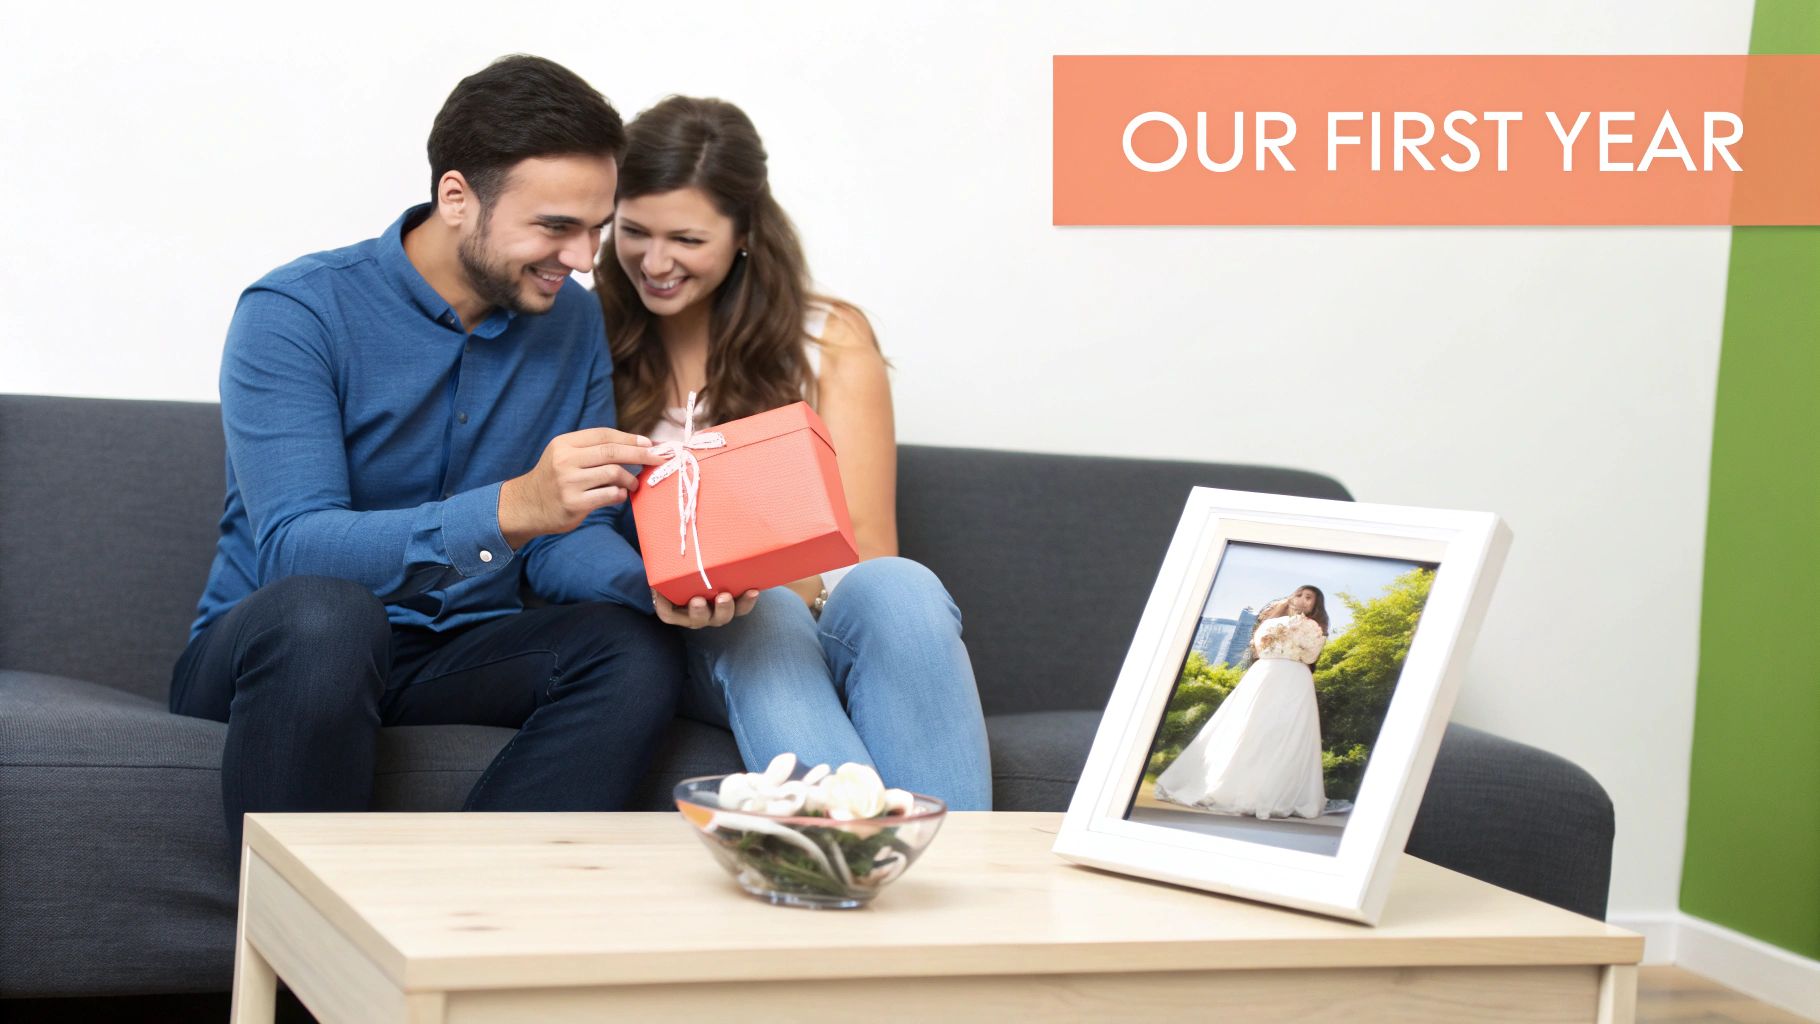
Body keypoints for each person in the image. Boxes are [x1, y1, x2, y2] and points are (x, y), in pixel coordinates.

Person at [170, 55, 685, 849]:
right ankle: (309, 929)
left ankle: (470, 903)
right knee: (329, 616)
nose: (585, 259)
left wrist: (657, 585)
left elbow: (565, 536)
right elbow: (296, 548)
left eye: (597, 229)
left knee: (634, 649)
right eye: (556, 227)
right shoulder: (296, 312)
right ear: (456, 198)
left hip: (453, 653)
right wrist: (512, 508)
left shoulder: (572, 322)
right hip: (283, 654)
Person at [596, 96, 992, 810]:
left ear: (744, 232)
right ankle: (863, 848)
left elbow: (866, 548)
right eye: (634, 232)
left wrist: (765, 574)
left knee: (899, 586)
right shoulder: (586, 338)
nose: (654, 262)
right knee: (766, 614)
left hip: (818, 618)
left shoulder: (826, 339)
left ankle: (936, 855)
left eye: (686, 239)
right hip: (689, 639)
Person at [1154, 586, 1330, 819]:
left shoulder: (1315, 628)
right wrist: (1291, 639)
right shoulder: (1269, 623)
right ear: (1290, 598)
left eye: (1309, 598)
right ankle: (1229, 787)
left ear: (1315, 605)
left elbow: (1310, 655)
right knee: (1249, 726)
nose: (1302, 600)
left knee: (1286, 731)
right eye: (1299, 595)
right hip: (1266, 675)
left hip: (1296, 680)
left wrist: (1295, 637)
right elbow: (1263, 649)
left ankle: (1275, 793)